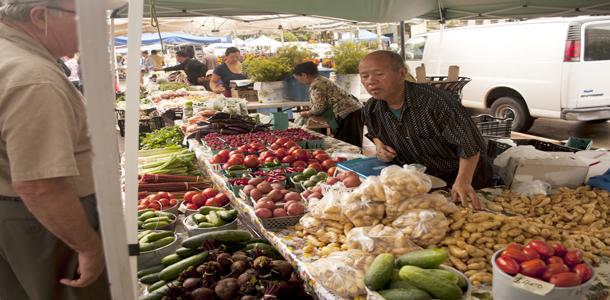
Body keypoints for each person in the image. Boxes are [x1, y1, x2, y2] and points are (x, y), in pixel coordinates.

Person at [0, 0, 111, 299]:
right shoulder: (34, 78)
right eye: (85, 19)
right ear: (40, 16)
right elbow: (40, 184)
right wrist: (87, 246)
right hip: (47, 222)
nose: (94, 31)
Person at [359, 50, 492, 209]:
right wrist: (380, 146)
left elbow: (470, 145)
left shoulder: (437, 103)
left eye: (379, 74)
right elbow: (375, 133)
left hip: (463, 181)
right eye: (364, 76)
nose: (371, 81)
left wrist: (463, 181)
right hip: (419, 184)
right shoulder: (372, 108)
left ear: (401, 73)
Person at [293, 61, 364, 147]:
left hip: (347, 114)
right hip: (352, 111)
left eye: (298, 78)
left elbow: (319, 107)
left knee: (348, 144)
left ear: (304, 75)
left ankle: (353, 160)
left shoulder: (316, 85)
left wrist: (308, 113)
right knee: (352, 141)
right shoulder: (322, 80)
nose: (299, 82)